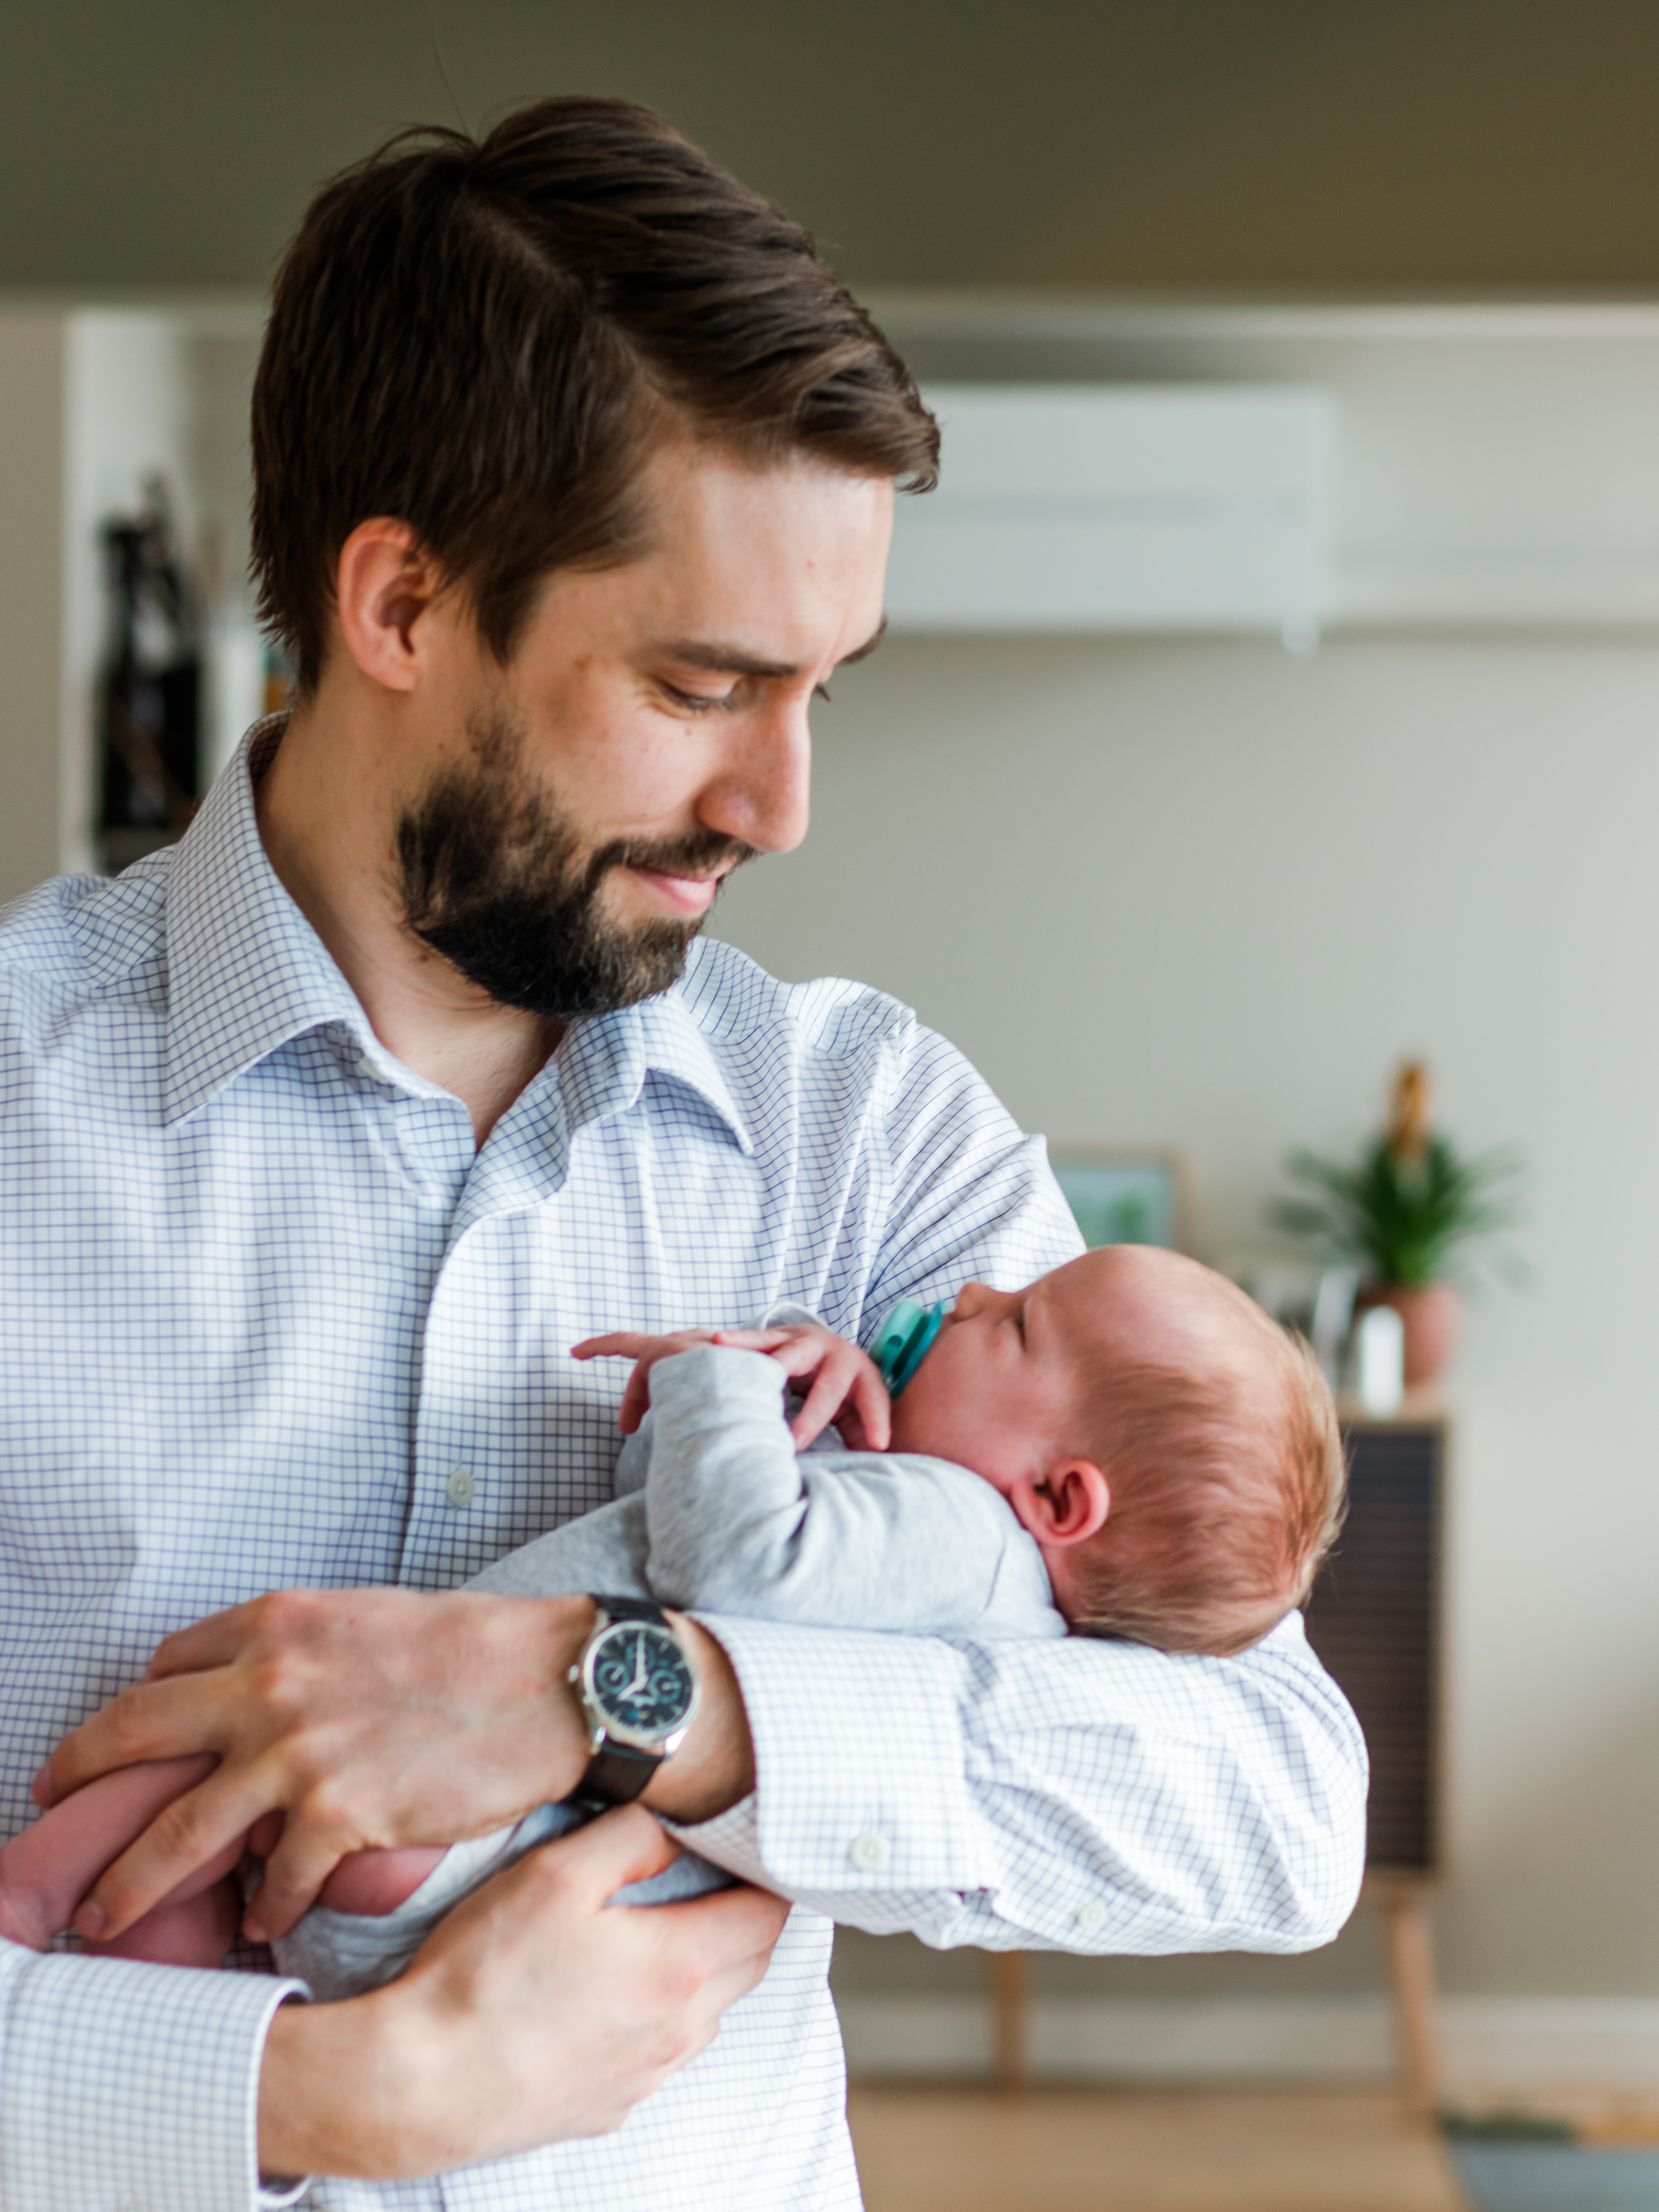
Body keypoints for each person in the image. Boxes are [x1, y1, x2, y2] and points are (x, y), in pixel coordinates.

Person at [0, 96, 1368, 2212]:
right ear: (399, 599)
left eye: (823, 687)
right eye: (702, 682)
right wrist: (327, 2098)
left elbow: (1267, 1806)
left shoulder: (865, 1136)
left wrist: (624, 1691)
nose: (782, 801)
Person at [0, 1246, 1349, 1990]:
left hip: (442, 1826)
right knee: (193, 1871)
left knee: (193, 1766)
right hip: (456, 1855)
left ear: (1061, 1495)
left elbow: (737, 1565)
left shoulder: (952, 1522)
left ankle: (32, 1897)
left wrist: (723, 1379)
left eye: (1019, 1325)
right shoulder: (964, 1549)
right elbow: (664, 1524)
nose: (981, 1288)